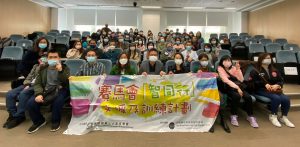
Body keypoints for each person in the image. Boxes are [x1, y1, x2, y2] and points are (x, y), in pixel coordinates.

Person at [26, 49, 70, 134]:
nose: (53, 59)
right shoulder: (42, 68)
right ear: (47, 58)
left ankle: (55, 121)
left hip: (60, 89)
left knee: (58, 101)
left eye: (55, 57)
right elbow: (37, 83)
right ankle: (39, 121)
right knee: (31, 103)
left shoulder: (65, 67)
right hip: (45, 90)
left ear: (59, 58)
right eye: (50, 57)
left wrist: (60, 71)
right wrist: (38, 94)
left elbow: (67, 83)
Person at [250, 53, 295, 128]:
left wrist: (277, 85)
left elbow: (281, 80)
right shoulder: (255, 70)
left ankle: (284, 117)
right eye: (266, 58)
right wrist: (264, 84)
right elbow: (253, 83)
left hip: (274, 90)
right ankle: (273, 115)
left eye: (269, 58)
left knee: (286, 99)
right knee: (276, 98)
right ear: (261, 59)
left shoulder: (274, 70)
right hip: (261, 90)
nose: (268, 60)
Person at [3, 57, 47, 129]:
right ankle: (12, 115)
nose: (42, 60)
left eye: (45, 58)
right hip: (28, 84)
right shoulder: (35, 66)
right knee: (10, 94)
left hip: (37, 86)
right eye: (41, 58)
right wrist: (27, 84)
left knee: (23, 94)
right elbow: (29, 77)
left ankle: (19, 116)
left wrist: (43, 66)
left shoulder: (49, 67)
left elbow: (44, 81)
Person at [217, 55, 258, 128]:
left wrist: (238, 69)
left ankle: (250, 116)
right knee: (236, 96)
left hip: (238, 86)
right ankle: (233, 115)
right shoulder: (220, 68)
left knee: (248, 97)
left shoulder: (233, 68)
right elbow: (226, 80)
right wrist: (237, 88)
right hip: (227, 87)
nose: (227, 62)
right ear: (222, 62)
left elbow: (241, 80)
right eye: (225, 60)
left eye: (229, 60)